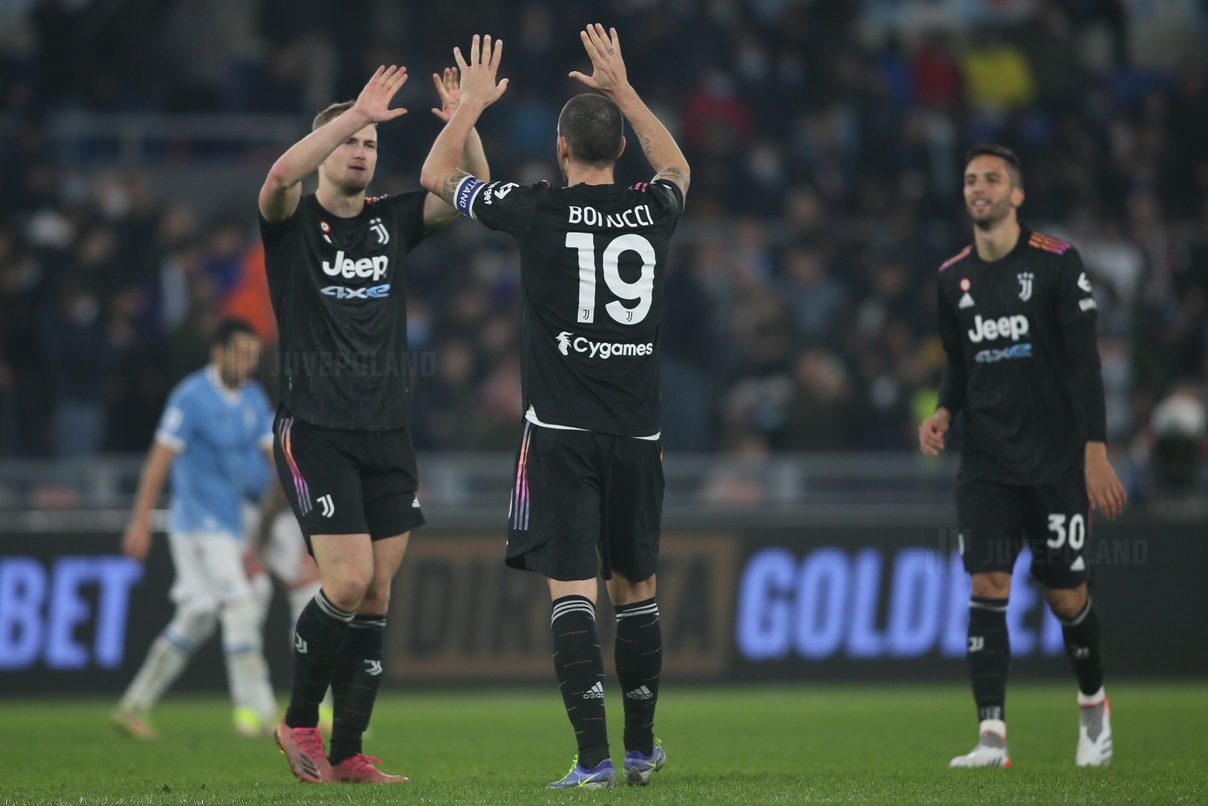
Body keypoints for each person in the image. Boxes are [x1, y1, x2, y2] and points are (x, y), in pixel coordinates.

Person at [420, 26, 689, 788]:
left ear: (562, 151)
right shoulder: (653, 209)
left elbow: (437, 174)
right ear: (617, 152)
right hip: (639, 432)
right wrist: (625, 90)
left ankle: (595, 761)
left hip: (561, 434)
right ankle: (640, 751)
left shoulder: (536, 210)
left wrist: (467, 109)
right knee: (636, 590)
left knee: (572, 592)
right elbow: (675, 163)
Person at [258, 63, 487, 784]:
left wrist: (465, 121)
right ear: (326, 149)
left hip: (387, 431)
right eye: (351, 141)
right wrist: (350, 114)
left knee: (379, 592)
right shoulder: (292, 223)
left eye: (370, 144)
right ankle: (299, 722)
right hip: (316, 428)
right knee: (349, 581)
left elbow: (464, 196)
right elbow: (275, 175)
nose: (361, 152)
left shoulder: (390, 220)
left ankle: (350, 750)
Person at [918, 144, 1128, 769]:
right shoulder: (950, 276)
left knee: (1067, 598)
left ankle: (1093, 705)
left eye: (991, 179)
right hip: (985, 463)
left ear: (1016, 194)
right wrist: (944, 413)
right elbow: (960, 363)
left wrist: (1095, 452)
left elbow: (1084, 366)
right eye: (970, 180)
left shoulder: (1060, 264)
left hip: (1056, 460)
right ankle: (991, 737)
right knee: (987, 585)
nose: (978, 188)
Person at [112, 318, 279, 740]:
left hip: (233, 522)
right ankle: (261, 716)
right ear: (218, 351)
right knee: (243, 600)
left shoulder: (254, 398)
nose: (247, 364)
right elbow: (159, 460)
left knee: (200, 615)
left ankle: (133, 705)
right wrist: (140, 522)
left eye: (253, 357)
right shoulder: (191, 396)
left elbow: (275, 459)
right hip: (196, 523)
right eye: (241, 355)